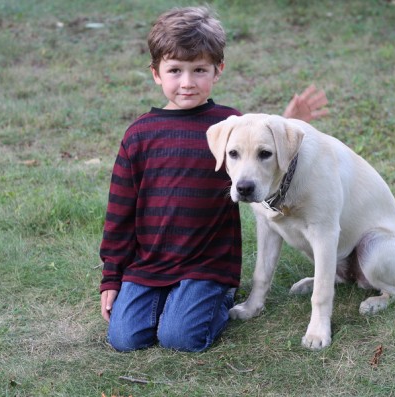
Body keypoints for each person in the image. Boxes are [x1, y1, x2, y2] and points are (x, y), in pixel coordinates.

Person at [99, 6, 328, 352]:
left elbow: (257, 153)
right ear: (156, 73)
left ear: (217, 71)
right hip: (150, 261)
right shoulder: (139, 135)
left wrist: (286, 124)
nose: (187, 82)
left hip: (207, 262)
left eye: (199, 70)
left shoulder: (230, 125)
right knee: (124, 339)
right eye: (175, 70)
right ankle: (168, 299)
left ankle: (213, 297)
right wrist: (112, 278)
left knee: (181, 338)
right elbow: (119, 213)